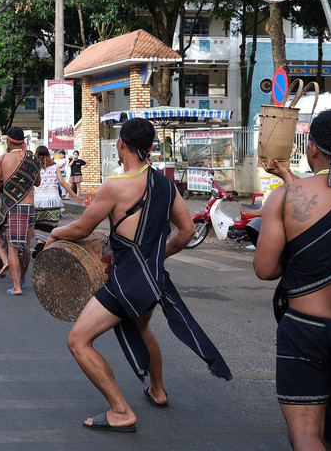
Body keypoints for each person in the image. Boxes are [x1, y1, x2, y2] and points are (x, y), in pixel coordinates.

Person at [47, 118, 231, 433]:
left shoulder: (116, 185)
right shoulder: (164, 184)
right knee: (144, 327)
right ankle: (157, 390)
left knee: (78, 341)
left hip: (127, 282)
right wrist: (157, 258)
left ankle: (121, 411)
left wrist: (55, 232)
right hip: (152, 280)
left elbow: (81, 228)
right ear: (148, 147)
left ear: (122, 144)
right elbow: (186, 231)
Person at [255, 109, 331, 451]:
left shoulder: (285, 198)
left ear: (311, 148)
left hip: (305, 327)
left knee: (307, 433)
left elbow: (265, 270)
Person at [0, 127, 41, 295]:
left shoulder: (2, 159)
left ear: (9, 140)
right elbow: (37, 183)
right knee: (26, 247)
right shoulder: (33, 159)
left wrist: (5, 186)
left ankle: (16, 286)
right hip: (30, 206)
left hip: (12, 207)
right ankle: (21, 278)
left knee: (13, 248)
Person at [32, 146, 77, 256]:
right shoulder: (55, 166)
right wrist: (74, 195)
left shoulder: (34, 167)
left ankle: (39, 243)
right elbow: (62, 182)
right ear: (48, 154)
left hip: (38, 201)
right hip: (53, 201)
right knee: (51, 225)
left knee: (38, 224)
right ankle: (46, 246)